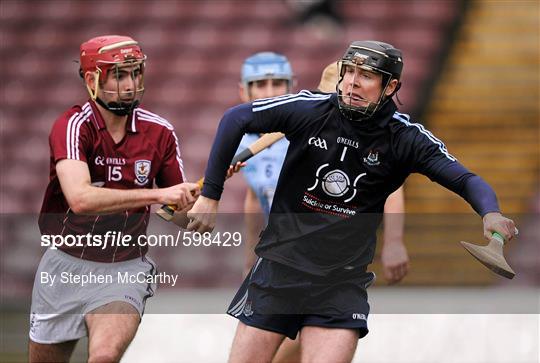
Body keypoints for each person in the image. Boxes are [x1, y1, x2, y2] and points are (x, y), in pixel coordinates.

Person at [187, 40, 517, 363]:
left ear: (390, 87)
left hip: (340, 283)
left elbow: (465, 179)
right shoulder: (310, 109)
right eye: (347, 73)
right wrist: (210, 195)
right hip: (278, 270)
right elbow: (235, 118)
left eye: (366, 76)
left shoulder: (405, 139)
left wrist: (490, 214)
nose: (351, 83)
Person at [29, 35, 200, 363]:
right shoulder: (72, 125)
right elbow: (80, 198)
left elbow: (176, 213)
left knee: (105, 356)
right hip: (65, 264)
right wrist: (158, 194)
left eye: (135, 73)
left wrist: (201, 205)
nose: (131, 84)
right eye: (119, 75)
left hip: (124, 268)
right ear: (92, 80)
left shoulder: (159, 132)